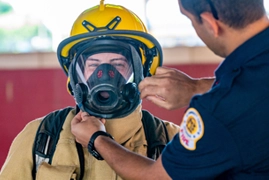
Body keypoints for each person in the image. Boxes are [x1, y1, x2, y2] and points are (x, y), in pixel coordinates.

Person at [71, 0, 269, 179]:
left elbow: (155, 177)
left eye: (192, 23)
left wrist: (97, 139)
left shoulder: (216, 114)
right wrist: (196, 87)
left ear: (210, 24)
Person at [0, 2, 185, 180]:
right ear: (75, 76)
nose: (104, 75)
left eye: (118, 64)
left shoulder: (174, 141)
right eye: (93, 65)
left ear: (142, 72)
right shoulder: (40, 137)